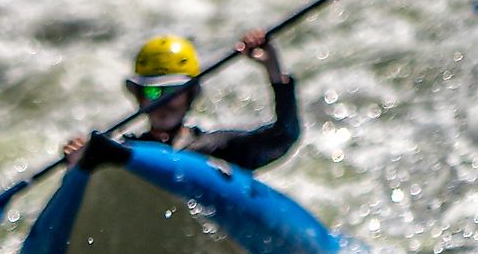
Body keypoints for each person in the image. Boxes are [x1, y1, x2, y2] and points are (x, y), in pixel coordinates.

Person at [60, 32, 305, 176]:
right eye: (153, 91)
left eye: (173, 91)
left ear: (190, 94)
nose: (163, 102)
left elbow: (284, 136)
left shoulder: (218, 148)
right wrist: (79, 167)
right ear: (138, 95)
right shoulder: (122, 151)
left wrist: (273, 69)